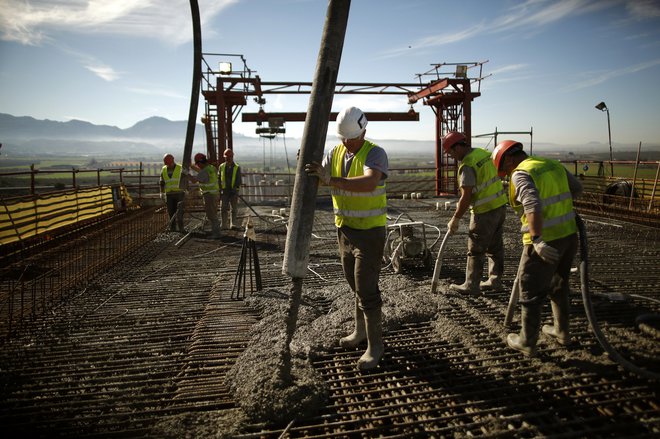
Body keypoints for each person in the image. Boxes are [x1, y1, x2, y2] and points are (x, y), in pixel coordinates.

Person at [305, 106, 388, 370]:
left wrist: (331, 180)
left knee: (366, 288)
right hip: (345, 230)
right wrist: (311, 169)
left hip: (370, 232)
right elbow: (322, 179)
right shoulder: (336, 152)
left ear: (364, 131)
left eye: (351, 138)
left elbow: (368, 183)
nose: (347, 142)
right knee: (355, 285)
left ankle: (375, 346)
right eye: (344, 138)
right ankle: (360, 331)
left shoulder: (375, 153)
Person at [491, 140, 582, 356]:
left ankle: (527, 342)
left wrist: (538, 239)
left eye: (504, 169)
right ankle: (562, 332)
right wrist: (560, 208)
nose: (506, 174)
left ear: (510, 159)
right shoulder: (551, 164)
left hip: (544, 241)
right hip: (569, 236)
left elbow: (532, 205)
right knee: (559, 285)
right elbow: (577, 189)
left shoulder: (520, 173)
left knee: (530, 289)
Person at [442, 132, 509, 295]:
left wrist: (455, 218)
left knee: (475, 249)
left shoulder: (467, 165)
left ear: (457, 147)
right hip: (500, 206)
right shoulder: (483, 153)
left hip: (484, 212)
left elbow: (466, 196)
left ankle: (471, 285)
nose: (451, 156)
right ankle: (495, 280)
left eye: (451, 152)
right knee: (495, 247)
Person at [190, 152, 221, 239]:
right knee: (213, 214)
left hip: (209, 196)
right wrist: (192, 167)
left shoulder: (205, 171)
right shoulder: (211, 168)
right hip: (214, 194)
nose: (198, 166)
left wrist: (186, 174)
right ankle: (216, 232)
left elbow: (193, 180)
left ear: (200, 163)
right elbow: (201, 171)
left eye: (198, 164)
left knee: (211, 215)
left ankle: (216, 234)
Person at [159, 153, 185, 233]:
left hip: (179, 193)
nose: (167, 165)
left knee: (180, 212)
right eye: (166, 163)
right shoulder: (164, 169)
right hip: (169, 194)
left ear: (172, 161)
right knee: (171, 213)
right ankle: (173, 229)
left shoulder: (180, 168)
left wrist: (186, 189)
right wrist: (162, 193)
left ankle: (181, 229)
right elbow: (162, 182)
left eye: (168, 163)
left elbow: (185, 179)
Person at [219, 148, 242, 230]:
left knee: (234, 209)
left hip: (233, 192)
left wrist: (234, 189)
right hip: (224, 191)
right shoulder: (221, 166)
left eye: (229, 157)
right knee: (223, 208)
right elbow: (219, 178)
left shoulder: (236, 167)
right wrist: (220, 189)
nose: (227, 158)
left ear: (232, 157)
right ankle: (224, 224)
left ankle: (233, 224)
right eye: (226, 157)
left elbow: (238, 180)